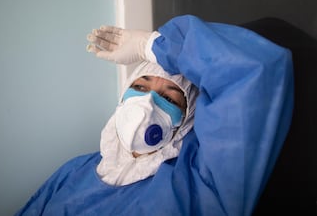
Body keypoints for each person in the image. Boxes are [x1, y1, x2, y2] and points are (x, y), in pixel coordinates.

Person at [15, 15, 293, 216]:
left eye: (170, 97)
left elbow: (253, 72)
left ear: (185, 121)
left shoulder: (198, 184)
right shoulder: (73, 172)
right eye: (139, 87)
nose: (147, 102)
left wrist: (149, 46)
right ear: (122, 98)